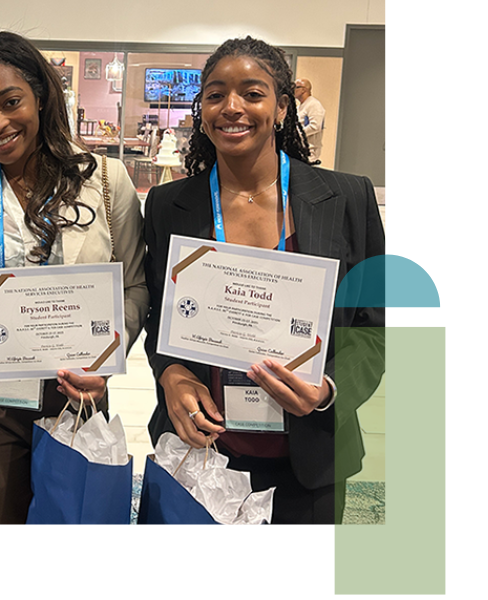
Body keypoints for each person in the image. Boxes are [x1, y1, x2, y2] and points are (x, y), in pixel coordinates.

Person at [143, 36, 385, 525]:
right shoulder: (169, 206)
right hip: (204, 451)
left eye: (252, 93)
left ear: (281, 106)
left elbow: (375, 326)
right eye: (215, 94)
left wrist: (330, 388)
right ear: (201, 108)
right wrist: (170, 373)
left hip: (309, 460)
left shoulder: (346, 197)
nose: (232, 107)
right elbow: (158, 321)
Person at [0, 31, 148, 525]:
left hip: (76, 392)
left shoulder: (104, 179)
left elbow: (135, 285)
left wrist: (105, 359)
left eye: (11, 102)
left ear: (40, 95)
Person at [295, 78, 325, 164]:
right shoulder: (300, 107)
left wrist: (297, 135)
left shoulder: (314, 105)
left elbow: (315, 126)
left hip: (309, 153)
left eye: (295, 87)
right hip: (299, 150)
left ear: (303, 90)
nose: (293, 90)